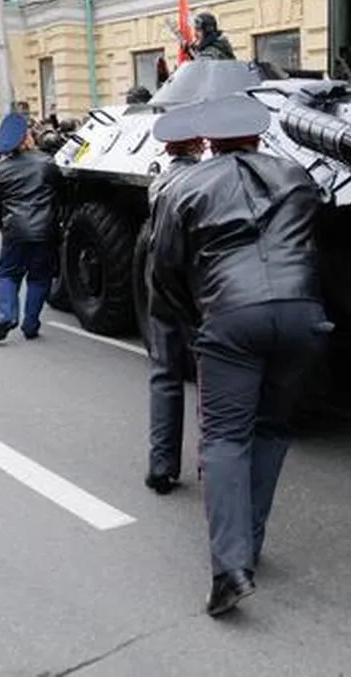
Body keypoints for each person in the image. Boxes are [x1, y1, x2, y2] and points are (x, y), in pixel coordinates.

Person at [148, 96, 329, 617]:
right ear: (257, 136)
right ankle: (247, 540)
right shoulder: (296, 175)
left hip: (230, 315)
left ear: (209, 141)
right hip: (301, 313)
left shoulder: (184, 186)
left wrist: (200, 318)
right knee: (271, 429)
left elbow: (164, 270)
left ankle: (231, 567)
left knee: (225, 438)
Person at [143, 102, 206, 496]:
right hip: (198, 287)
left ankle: (162, 466)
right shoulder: (207, 181)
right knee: (210, 377)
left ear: (168, 149)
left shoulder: (158, 183)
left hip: (162, 285)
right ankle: (210, 464)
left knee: (165, 374)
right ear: (199, 144)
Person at [0, 112, 62, 344]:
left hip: (14, 231)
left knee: (6, 275)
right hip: (45, 231)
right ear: (26, 138)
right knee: (40, 278)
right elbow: (61, 195)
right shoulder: (46, 164)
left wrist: (5, 227)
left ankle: (7, 315)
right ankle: (31, 324)